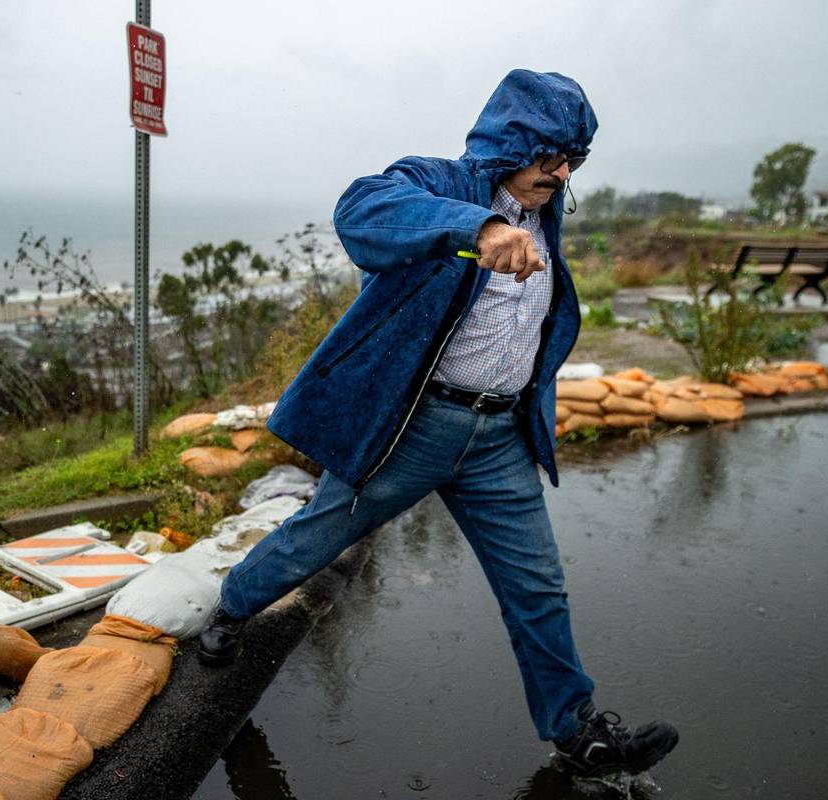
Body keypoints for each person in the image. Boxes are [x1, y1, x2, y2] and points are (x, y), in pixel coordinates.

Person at [198, 69, 679, 780]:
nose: (562, 170)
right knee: (316, 537)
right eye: (550, 152)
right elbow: (362, 208)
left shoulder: (547, 213)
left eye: (572, 157)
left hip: (497, 441)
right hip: (412, 432)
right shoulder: (440, 183)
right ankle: (231, 611)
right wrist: (476, 228)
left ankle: (577, 733)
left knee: (538, 584)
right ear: (512, 140)